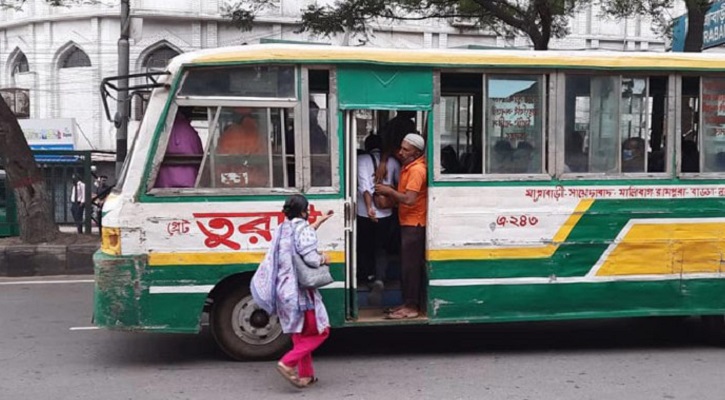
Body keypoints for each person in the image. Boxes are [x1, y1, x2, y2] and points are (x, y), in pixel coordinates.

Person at [250, 195, 334, 389]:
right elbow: (310, 257)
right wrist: (324, 258)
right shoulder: (303, 230)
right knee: (321, 332)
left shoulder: (282, 228)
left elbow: (298, 241)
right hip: (300, 293)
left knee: (300, 334)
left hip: (282, 290)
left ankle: (306, 375)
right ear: (304, 212)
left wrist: (317, 223)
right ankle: (288, 363)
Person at [375, 133, 427, 319]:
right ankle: (406, 303)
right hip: (406, 222)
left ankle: (411, 307)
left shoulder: (416, 170)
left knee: (411, 268)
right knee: (406, 266)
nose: (401, 152)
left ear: (416, 152)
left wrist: (389, 191)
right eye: (401, 148)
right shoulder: (409, 166)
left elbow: (410, 199)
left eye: (406, 150)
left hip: (414, 224)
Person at [357, 134, 400, 306]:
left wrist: (369, 208)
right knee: (381, 247)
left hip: (364, 213)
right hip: (386, 212)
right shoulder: (393, 162)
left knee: (365, 246)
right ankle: (381, 279)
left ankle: (368, 277)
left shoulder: (361, 160)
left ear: (367, 146)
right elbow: (398, 185)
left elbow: (364, 187)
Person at [216, 108, 268, 187]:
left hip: (231, 183)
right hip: (256, 184)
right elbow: (265, 164)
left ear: (237, 116)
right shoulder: (260, 135)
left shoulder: (228, 135)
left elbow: (219, 166)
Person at [155, 108, 204, 188]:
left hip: (163, 186)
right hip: (189, 184)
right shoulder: (190, 132)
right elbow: (202, 160)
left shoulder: (161, 131)